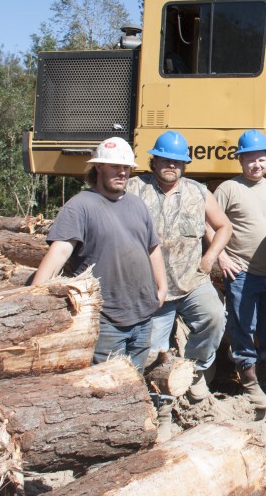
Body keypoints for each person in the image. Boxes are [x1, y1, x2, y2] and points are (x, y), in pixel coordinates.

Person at [126, 131, 232, 439]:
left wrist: (211, 257)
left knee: (214, 318)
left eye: (177, 161)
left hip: (191, 282)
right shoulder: (135, 189)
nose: (171, 165)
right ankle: (162, 413)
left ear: (184, 164)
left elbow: (224, 226)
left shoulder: (198, 192)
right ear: (154, 160)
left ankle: (195, 371)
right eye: (165, 159)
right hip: (151, 288)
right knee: (155, 354)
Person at [32, 136, 167, 374]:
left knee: (135, 381)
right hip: (105, 318)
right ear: (98, 167)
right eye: (115, 166)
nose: (122, 172)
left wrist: (162, 287)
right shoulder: (80, 206)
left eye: (126, 167)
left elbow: (152, 248)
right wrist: (33, 297)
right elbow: (60, 251)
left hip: (143, 314)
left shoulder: (137, 205)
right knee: (107, 386)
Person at [214, 129, 266, 414]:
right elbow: (209, 224)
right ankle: (249, 381)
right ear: (240, 160)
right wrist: (221, 256)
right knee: (244, 326)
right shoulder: (228, 189)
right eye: (250, 160)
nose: (256, 165)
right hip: (242, 272)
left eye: (261, 159)